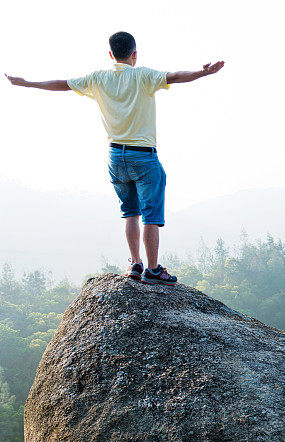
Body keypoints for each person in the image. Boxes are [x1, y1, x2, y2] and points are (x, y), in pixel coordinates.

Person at [5, 31, 224, 286]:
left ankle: (135, 263)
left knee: (130, 213)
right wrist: (203, 72)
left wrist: (27, 83)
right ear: (135, 55)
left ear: (111, 55)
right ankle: (152, 270)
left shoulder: (99, 78)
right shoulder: (143, 75)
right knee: (150, 215)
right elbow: (174, 77)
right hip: (143, 156)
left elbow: (62, 84)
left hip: (115, 157)